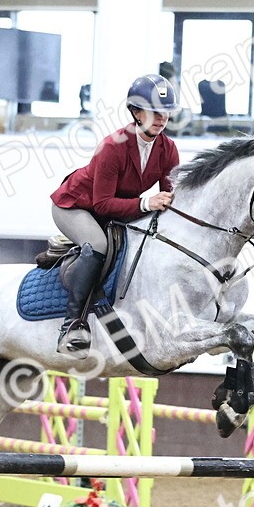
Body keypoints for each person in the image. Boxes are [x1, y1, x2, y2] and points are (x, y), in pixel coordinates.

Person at [49, 73, 181, 354]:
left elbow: (168, 198)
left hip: (114, 210)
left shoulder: (168, 150)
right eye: (154, 111)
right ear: (135, 111)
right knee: (98, 245)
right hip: (77, 205)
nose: (161, 118)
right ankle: (72, 326)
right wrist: (146, 204)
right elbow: (102, 205)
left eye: (166, 112)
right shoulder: (113, 146)